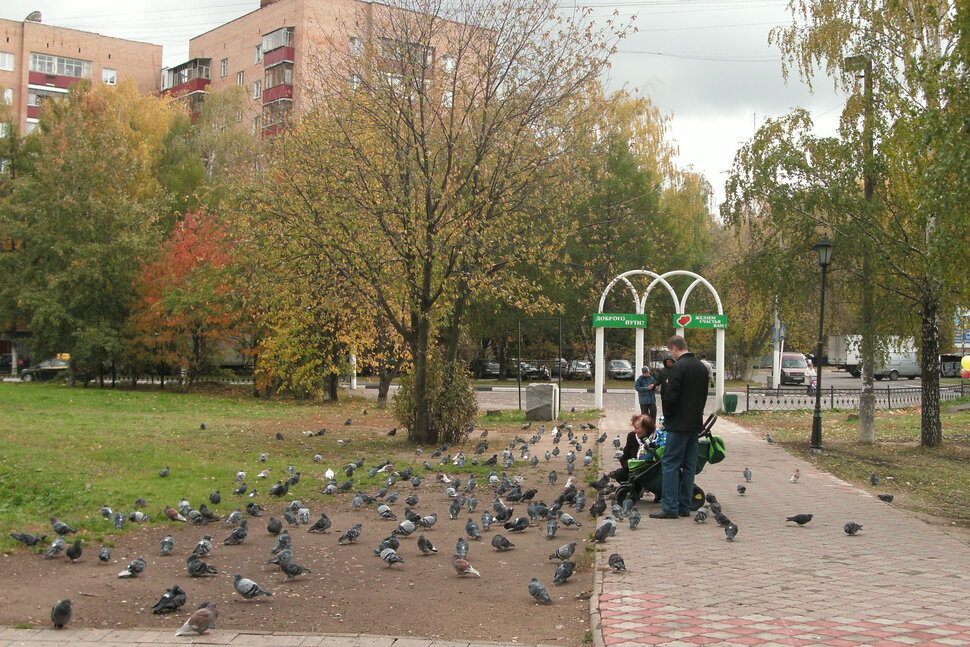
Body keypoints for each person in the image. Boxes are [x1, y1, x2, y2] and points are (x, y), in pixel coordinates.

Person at [650, 335, 709, 519]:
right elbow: (704, 395)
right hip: (695, 423)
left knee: (670, 464)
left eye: (670, 352)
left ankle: (670, 507)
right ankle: (685, 506)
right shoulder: (701, 367)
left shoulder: (678, 368)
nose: (671, 355)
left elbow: (671, 396)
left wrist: (667, 418)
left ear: (675, 348)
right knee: (689, 465)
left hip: (678, 424)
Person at [609, 414, 655, 483]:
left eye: (637, 428)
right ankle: (634, 491)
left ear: (646, 428)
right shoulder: (632, 436)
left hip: (651, 472)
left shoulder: (657, 439)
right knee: (619, 474)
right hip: (634, 471)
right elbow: (624, 458)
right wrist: (630, 466)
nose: (635, 431)